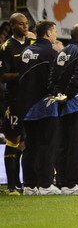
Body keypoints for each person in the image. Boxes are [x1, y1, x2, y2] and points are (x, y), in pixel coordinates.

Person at [17, 21, 63, 195]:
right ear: (48, 33)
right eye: (55, 31)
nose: (56, 34)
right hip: (45, 106)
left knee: (30, 146)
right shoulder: (51, 53)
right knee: (47, 145)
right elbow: (56, 79)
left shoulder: (26, 51)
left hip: (26, 107)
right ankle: (45, 185)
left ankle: (29, 185)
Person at [50, 23, 78, 193]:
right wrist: (68, 94)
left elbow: (53, 77)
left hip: (63, 106)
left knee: (64, 145)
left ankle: (62, 182)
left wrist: (58, 94)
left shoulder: (63, 52)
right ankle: (74, 183)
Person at [1, 12, 34, 195]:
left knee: (26, 142)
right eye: (21, 24)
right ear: (12, 26)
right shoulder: (6, 47)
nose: (25, 26)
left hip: (31, 100)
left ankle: (23, 183)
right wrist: (23, 75)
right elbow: (3, 75)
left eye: (26, 23)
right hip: (14, 100)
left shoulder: (32, 43)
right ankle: (12, 185)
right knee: (14, 140)